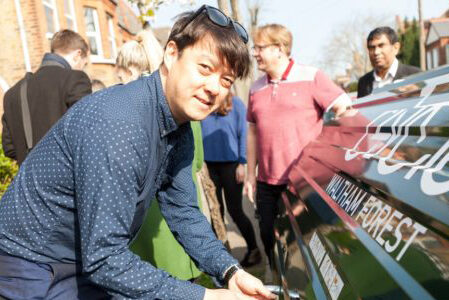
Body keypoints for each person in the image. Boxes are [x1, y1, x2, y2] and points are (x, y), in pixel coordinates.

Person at [0, 5, 275, 300]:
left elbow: (182, 210)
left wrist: (230, 271)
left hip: (86, 259)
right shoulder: (120, 125)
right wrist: (205, 297)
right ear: (171, 54)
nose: (213, 88)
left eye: (226, 80)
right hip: (31, 264)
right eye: (205, 68)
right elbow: (106, 259)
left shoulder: (179, 125)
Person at [245, 24, 350, 273]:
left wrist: (331, 156)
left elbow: (344, 106)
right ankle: (276, 275)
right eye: (255, 48)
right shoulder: (255, 88)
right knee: (268, 234)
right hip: (267, 181)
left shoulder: (311, 76)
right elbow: (252, 131)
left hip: (304, 182)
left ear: (279, 48)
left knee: (311, 239)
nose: (255, 53)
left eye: (260, 48)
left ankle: (310, 284)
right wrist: (250, 174)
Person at [116, 29, 205, 283]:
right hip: (176, 220)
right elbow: (196, 163)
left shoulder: (122, 107)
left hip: (139, 224)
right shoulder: (184, 103)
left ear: (127, 69)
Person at [1, 29, 91, 164]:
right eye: (84, 64)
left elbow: (9, 149)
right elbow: (87, 132)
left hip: (28, 180)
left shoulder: (12, 94)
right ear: (77, 55)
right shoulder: (76, 79)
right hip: (67, 179)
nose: (82, 68)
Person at [201, 93, 261, 268]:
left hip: (232, 166)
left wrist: (242, 162)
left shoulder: (236, 103)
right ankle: (223, 259)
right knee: (215, 214)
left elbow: (245, 133)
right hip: (209, 166)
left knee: (235, 211)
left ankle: (254, 251)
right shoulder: (204, 101)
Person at [357, 26, 421, 98]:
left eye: (381, 46)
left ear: (396, 48)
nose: (376, 52)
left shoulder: (415, 75)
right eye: (372, 48)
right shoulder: (364, 82)